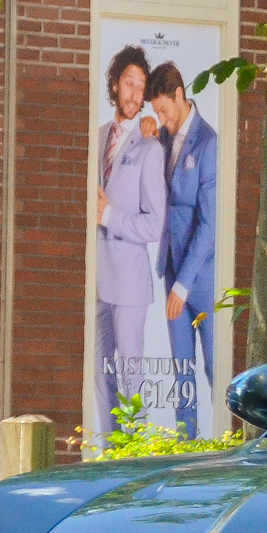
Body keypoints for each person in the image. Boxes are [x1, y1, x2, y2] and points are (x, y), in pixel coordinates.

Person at [96, 47, 169, 425]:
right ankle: (108, 455)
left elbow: (154, 225)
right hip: (95, 279)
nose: (135, 94)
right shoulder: (95, 138)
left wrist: (109, 215)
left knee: (130, 379)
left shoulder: (150, 148)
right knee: (99, 379)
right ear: (114, 85)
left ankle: (133, 456)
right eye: (129, 83)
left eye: (141, 87)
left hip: (129, 283)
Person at [150, 61, 220, 426]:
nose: (161, 118)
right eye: (155, 112)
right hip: (172, 271)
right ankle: (184, 451)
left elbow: (209, 225)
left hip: (202, 282)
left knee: (213, 370)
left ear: (180, 96)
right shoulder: (161, 136)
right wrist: (147, 130)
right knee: (182, 376)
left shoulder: (208, 143)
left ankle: (231, 448)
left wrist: (182, 285)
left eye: (163, 109)